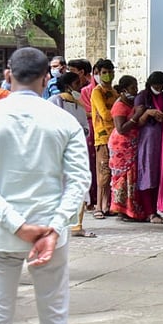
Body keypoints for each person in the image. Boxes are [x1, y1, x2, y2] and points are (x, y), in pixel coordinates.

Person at [0, 47, 91, 324]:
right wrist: (55, 226)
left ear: (8, 74)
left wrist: (16, 225)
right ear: (46, 77)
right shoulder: (63, 120)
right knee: (55, 319)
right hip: (50, 235)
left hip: (1, 235)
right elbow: (79, 180)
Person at [108, 75, 163, 223]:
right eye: (133, 87)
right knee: (123, 178)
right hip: (122, 146)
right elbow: (121, 129)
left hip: (134, 143)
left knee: (132, 178)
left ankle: (132, 210)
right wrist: (137, 115)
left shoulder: (133, 102)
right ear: (124, 89)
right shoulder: (119, 105)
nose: (136, 90)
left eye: (136, 87)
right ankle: (122, 210)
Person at [49, 72, 95, 238]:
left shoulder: (79, 105)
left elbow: (86, 128)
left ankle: (77, 225)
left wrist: (78, 130)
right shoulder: (55, 101)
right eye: (77, 84)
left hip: (76, 151)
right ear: (68, 85)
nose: (79, 88)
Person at [134, 71, 163, 218]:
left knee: (157, 174)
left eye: (161, 85)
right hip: (147, 138)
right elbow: (138, 121)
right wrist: (149, 113)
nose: (159, 88)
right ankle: (149, 212)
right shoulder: (142, 96)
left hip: (161, 137)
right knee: (147, 173)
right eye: (156, 85)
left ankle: (155, 209)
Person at [90, 59, 117, 218]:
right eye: (104, 73)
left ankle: (107, 205)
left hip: (114, 137)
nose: (108, 75)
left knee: (110, 173)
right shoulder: (97, 92)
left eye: (110, 72)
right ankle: (98, 206)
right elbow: (105, 114)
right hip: (102, 137)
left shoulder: (114, 92)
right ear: (98, 74)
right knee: (103, 172)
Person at [78, 59, 100, 214]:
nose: (101, 76)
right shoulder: (86, 91)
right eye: (98, 73)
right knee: (90, 163)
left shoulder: (111, 92)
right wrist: (96, 113)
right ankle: (90, 199)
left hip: (105, 129)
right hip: (91, 129)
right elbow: (83, 110)